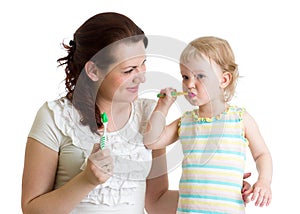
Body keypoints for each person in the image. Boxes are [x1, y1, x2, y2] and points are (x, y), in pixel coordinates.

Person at [21, 12, 252, 214]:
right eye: (129, 70)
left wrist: (219, 193)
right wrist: (86, 181)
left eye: (143, 64)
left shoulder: (150, 115)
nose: (141, 76)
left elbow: (156, 203)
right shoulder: (54, 117)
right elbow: (31, 208)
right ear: (92, 71)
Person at [144, 36, 272, 213]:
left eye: (200, 76)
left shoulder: (240, 119)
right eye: (185, 76)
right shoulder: (185, 122)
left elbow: (262, 154)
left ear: (224, 80)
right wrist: (163, 106)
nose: (189, 84)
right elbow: (152, 142)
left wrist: (264, 181)